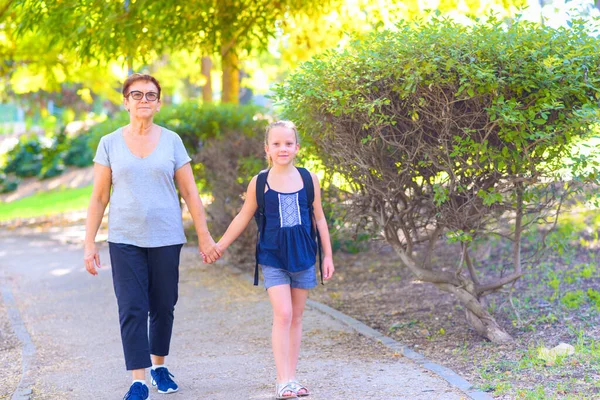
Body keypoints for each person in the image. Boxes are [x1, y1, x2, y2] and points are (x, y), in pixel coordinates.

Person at [83, 73, 220, 400]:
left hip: (166, 237)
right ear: (125, 101)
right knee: (132, 306)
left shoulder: (172, 141)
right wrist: (89, 243)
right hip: (124, 238)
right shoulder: (110, 143)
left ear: (159, 102)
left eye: (150, 95)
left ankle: (159, 365)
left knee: (163, 304)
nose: (144, 100)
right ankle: (139, 379)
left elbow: (189, 191)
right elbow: (99, 197)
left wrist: (204, 236)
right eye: (137, 95)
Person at [206, 120, 335, 399]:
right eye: (276, 144)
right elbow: (243, 216)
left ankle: (292, 377)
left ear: (297, 147)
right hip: (273, 256)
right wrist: (220, 246)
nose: (283, 148)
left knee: (297, 317)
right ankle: (282, 380)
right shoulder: (260, 182)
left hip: (303, 257)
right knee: (284, 314)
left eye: (288, 143)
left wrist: (328, 256)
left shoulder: (308, 179)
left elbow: (320, 217)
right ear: (267, 148)